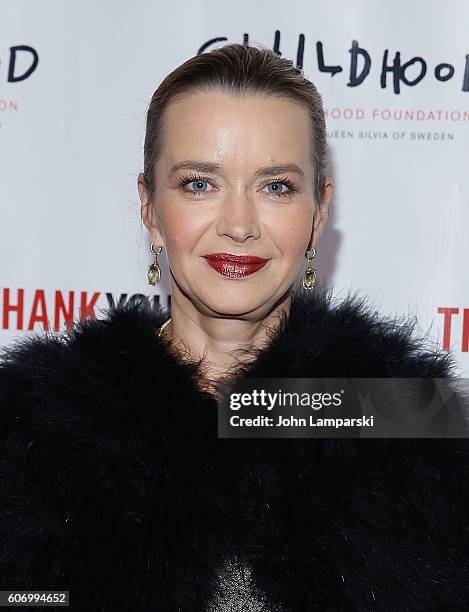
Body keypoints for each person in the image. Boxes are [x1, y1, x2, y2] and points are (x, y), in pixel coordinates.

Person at [0, 42, 468, 611]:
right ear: (148, 207)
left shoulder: (404, 415)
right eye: (200, 183)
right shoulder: (36, 423)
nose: (239, 225)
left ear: (319, 213)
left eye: (276, 187)